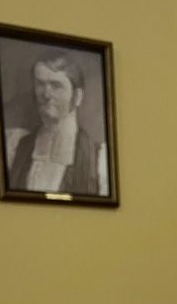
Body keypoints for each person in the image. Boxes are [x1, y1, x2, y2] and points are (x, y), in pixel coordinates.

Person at [6, 51, 108, 196]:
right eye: (40, 84)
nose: (46, 94)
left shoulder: (100, 159)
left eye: (56, 86)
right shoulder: (16, 147)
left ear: (77, 96)